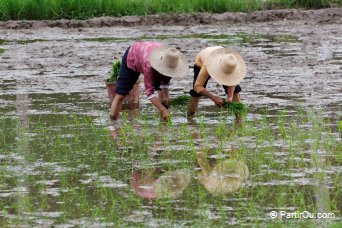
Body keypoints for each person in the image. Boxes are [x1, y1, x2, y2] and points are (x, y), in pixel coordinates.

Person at [110, 41, 188, 122]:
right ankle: (113, 126)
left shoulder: (170, 61)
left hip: (149, 56)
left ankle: (164, 126)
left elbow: (165, 82)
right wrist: (163, 110)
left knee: (162, 96)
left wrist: (166, 98)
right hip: (133, 56)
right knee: (120, 96)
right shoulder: (149, 65)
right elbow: (149, 94)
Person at [187, 46, 247, 122]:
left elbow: (233, 81)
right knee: (196, 94)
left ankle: (239, 120)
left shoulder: (232, 63)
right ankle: (190, 119)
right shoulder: (207, 65)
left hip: (222, 57)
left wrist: (230, 97)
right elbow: (197, 86)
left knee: (236, 91)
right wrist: (213, 98)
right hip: (202, 60)